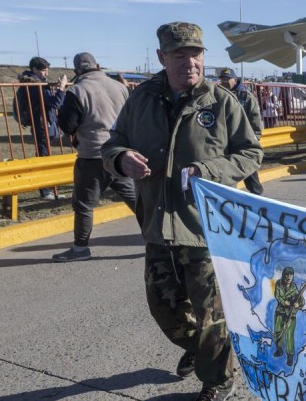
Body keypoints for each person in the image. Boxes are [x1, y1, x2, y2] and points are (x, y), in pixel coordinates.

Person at [101, 21, 263, 401]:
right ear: (162, 57)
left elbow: (251, 153)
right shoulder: (141, 99)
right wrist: (121, 159)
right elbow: (113, 144)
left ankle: (218, 381)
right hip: (157, 224)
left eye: (196, 54)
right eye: (179, 55)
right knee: (165, 310)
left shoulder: (221, 102)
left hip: (206, 229)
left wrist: (209, 171)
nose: (190, 62)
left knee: (211, 316)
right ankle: (200, 350)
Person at [53, 52, 136, 262]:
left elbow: (68, 125)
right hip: (120, 153)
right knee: (137, 201)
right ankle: (159, 238)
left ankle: (80, 249)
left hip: (93, 155)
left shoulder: (78, 91)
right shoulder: (119, 87)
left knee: (83, 205)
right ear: (98, 65)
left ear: (76, 71)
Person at [16, 57, 68, 199]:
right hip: (41, 123)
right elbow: (55, 103)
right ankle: (45, 191)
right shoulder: (34, 85)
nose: (46, 73)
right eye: (44, 71)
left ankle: (48, 188)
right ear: (34, 69)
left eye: (47, 70)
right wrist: (62, 87)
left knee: (44, 154)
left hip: (44, 122)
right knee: (43, 156)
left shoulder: (35, 83)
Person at [218, 67, 264, 195]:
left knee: (250, 174)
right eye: (223, 79)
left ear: (235, 80)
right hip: (225, 141)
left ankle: (258, 202)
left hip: (243, 141)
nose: (225, 82)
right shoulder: (219, 95)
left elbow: (255, 118)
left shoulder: (246, 96)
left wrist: (253, 139)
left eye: (228, 79)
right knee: (226, 175)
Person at [272, 266, 303, 366]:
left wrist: (297, 304)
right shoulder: (279, 283)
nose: (288, 276)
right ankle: (279, 349)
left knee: (289, 335)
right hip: (280, 312)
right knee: (278, 330)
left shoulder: (294, 288)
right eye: (286, 274)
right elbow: (277, 295)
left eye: (290, 274)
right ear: (283, 275)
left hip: (291, 314)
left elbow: (302, 301)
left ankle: (290, 356)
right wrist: (284, 302)